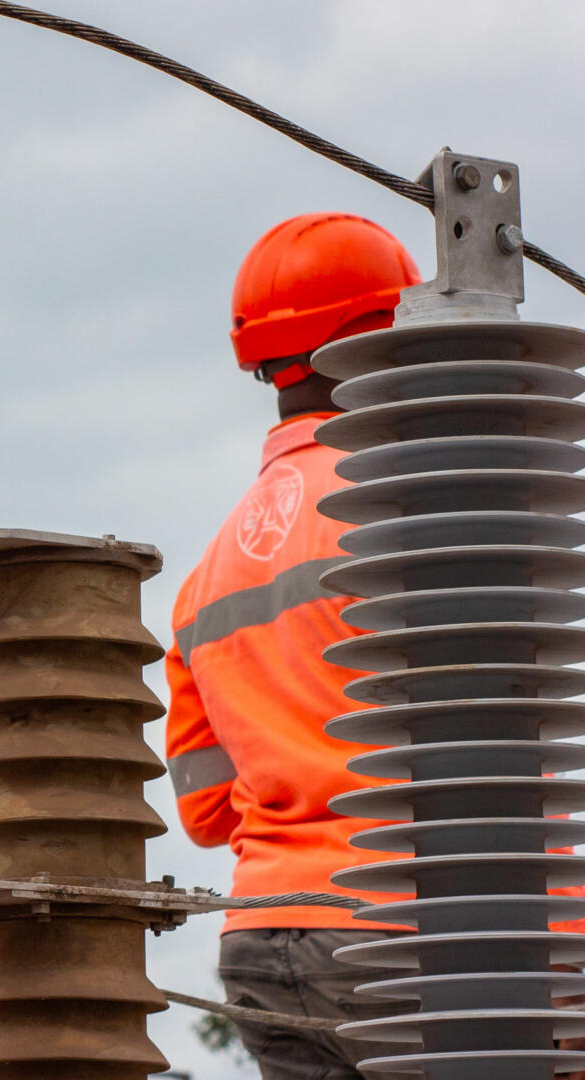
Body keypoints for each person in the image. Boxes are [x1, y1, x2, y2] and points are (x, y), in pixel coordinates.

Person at [164, 212, 423, 1078]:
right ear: (383, 335)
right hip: (419, 931)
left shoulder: (205, 579)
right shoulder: (419, 508)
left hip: (268, 941)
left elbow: (204, 811)